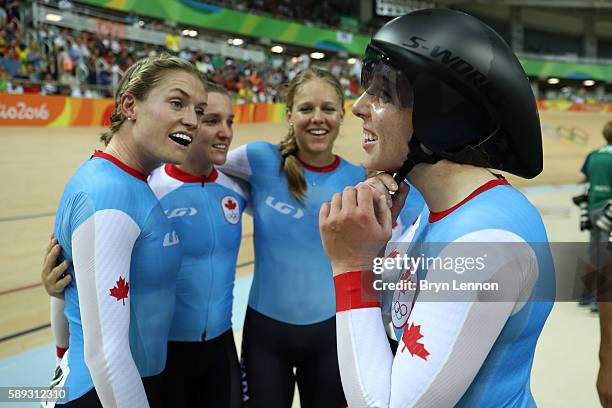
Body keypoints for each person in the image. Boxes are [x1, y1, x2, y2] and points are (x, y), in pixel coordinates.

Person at [319, 9, 555, 407]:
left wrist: (350, 266)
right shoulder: (444, 211)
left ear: (442, 115)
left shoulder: (484, 244)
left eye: (383, 92)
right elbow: (396, 329)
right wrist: (378, 250)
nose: (358, 106)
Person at [219, 67, 423, 408]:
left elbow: (429, 213)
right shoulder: (257, 159)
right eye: (306, 108)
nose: (318, 118)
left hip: (332, 336)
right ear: (289, 114)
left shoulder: (360, 180)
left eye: (328, 108)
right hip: (265, 336)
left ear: (342, 114)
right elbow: (201, 169)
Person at [42, 82, 245, 408]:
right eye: (209, 118)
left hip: (220, 345)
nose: (223, 131)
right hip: (161, 355)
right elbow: (79, 263)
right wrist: (58, 293)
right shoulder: (145, 187)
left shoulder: (237, 184)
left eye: (229, 121)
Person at [580, 121, 612, 311]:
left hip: (593, 207)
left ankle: (586, 295)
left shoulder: (594, 154)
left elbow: (582, 177)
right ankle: (598, 300)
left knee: (595, 251)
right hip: (609, 210)